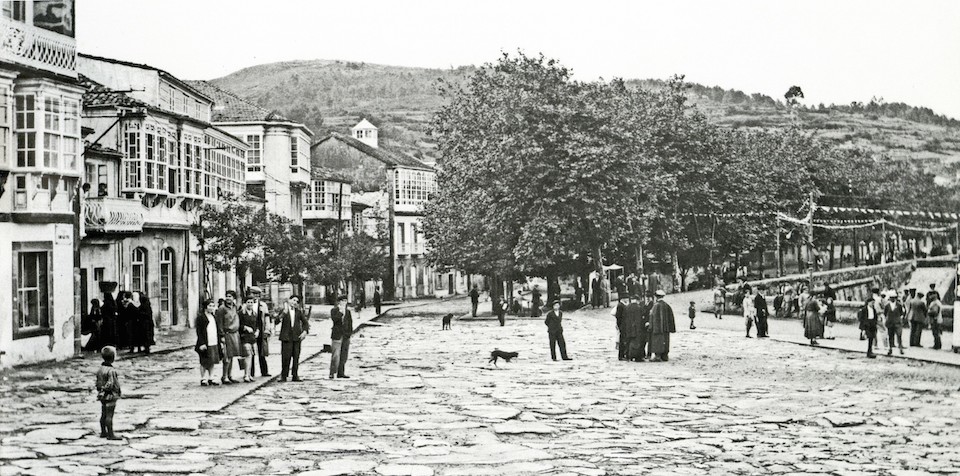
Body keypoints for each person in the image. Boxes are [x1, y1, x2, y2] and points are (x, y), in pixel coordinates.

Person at [276, 295, 309, 382]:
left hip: (296, 337)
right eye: (293, 300)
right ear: (289, 300)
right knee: (285, 357)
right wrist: (283, 314)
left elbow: (306, 323)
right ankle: (284, 376)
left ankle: (295, 375)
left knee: (296, 356)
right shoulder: (284, 311)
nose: (295, 303)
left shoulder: (298, 312)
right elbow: (276, 321)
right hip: (286, 337)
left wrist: (305, 332)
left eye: (297, 302)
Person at [95, 346, 123, 440]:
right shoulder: (111, 371)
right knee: (109, 415)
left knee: (103, 414)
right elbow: (111, 383)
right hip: (110, 395)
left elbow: (97, 382)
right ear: (113, 358)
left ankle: (103, 432)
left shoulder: (100, 369)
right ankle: (111, 434)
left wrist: (100, 390)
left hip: (102, 395)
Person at [216, 290, 242, 384]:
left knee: (232, 356)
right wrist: (221, 335)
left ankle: (230, 375)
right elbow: (219, 323)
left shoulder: (235, 307)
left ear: (234, 298)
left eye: (230, 296)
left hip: (234, 334)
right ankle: (224, 376)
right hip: (226, 334)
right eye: (227, 296)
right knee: (226, 357)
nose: (228, 298)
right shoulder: (222, 309)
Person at [195, 299, 222, 386]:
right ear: (205, 307)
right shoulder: (201, 317)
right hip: (205, 342)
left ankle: (211, 377)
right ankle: (203, 378)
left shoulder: (214, 317)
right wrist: (202, 343)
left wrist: (219, 341)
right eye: (209, 306)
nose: (211, 308)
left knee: (212, 360)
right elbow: (199, 331)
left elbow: (216, 329)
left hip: (213, 341)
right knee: (204, 361)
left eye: (213, 306)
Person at [247, 286, 271, 377]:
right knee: (250, 352)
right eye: (253, 294)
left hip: (261, 330)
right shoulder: (246, 304)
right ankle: (250, 372)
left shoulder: (263, 305)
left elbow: (267, 317)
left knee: (262, 351)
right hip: (250, 331)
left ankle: (264, 371)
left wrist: (267, 329)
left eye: (257, 294)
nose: (255, 296)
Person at [648, 290, 676, 361]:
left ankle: (658, 356)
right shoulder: (667, 305)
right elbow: (671, 318)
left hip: (657, 328)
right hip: (666, 328)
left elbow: (652, 316)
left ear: (656, 297)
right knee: (665, 341)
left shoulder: (656, 306)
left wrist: (650, 326)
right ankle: (665, 356)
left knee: (657, 341)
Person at [330, 296, 353, 379]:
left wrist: (349, 333)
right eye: (342, 301)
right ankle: (332, 372)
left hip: (346, 335)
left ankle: (341, 372)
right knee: (336, 355)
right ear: (339, 302)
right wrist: (340, 312)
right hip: (337, 335)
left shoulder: (348, 312)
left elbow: (350, 323)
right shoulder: (334, 310)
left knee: (344, 355)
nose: (344, 302)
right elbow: (335, 320)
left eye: (345, 301)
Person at [238, 295, 259, 382]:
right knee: (247, 355)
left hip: (252, 337)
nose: (250, 304)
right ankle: (246, 375)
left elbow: (257, 324)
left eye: (251, 302)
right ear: (245, 303)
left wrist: (257, 330)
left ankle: (249, 374)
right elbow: (238, 325)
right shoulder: (241, 313)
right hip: (244, 337)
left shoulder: (254, 313)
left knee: (252, 356)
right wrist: (245, 327)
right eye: (248, 302)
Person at [858, 289, 882, 358]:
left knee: (872, 338)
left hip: (872, 324)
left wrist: (875, 322)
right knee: (869, 337)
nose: (872, 304)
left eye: (873, 303)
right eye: (872, 303)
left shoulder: (873, 309)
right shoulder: (864, 309)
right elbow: (861, 318)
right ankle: (869, 351)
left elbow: (875, 317)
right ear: (868, 303)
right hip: (867, 324)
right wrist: (863, 326)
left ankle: (870, 351)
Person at [883, 290, 906, 355]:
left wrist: (899, 319)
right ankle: (890, 348)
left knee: (899, 335)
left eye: (893, 297)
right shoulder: (887, 305)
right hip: (890, 322)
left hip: (897, 322)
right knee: (890, 336)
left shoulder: (899, 305)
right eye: (891, 297)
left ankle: (900, 348)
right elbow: (885, 313)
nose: (892, 299)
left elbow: (902, 313)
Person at [622, 296, 643, 361]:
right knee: (636, 343)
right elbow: (639, 319)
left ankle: (628, 356)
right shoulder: (638, 307)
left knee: (628, 342)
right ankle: (636, 357)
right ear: (637, 300)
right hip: (636, 328)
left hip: (628, 328)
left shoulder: (627, 307)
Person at [614, 295, 629, 360]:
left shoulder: (622, 305)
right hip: (622, 325)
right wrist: (619, 326)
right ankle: (621, 355)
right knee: (622, 341)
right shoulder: (620, 306)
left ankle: (622, 355)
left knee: (623, 340)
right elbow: (618, 316)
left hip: (623, 325)